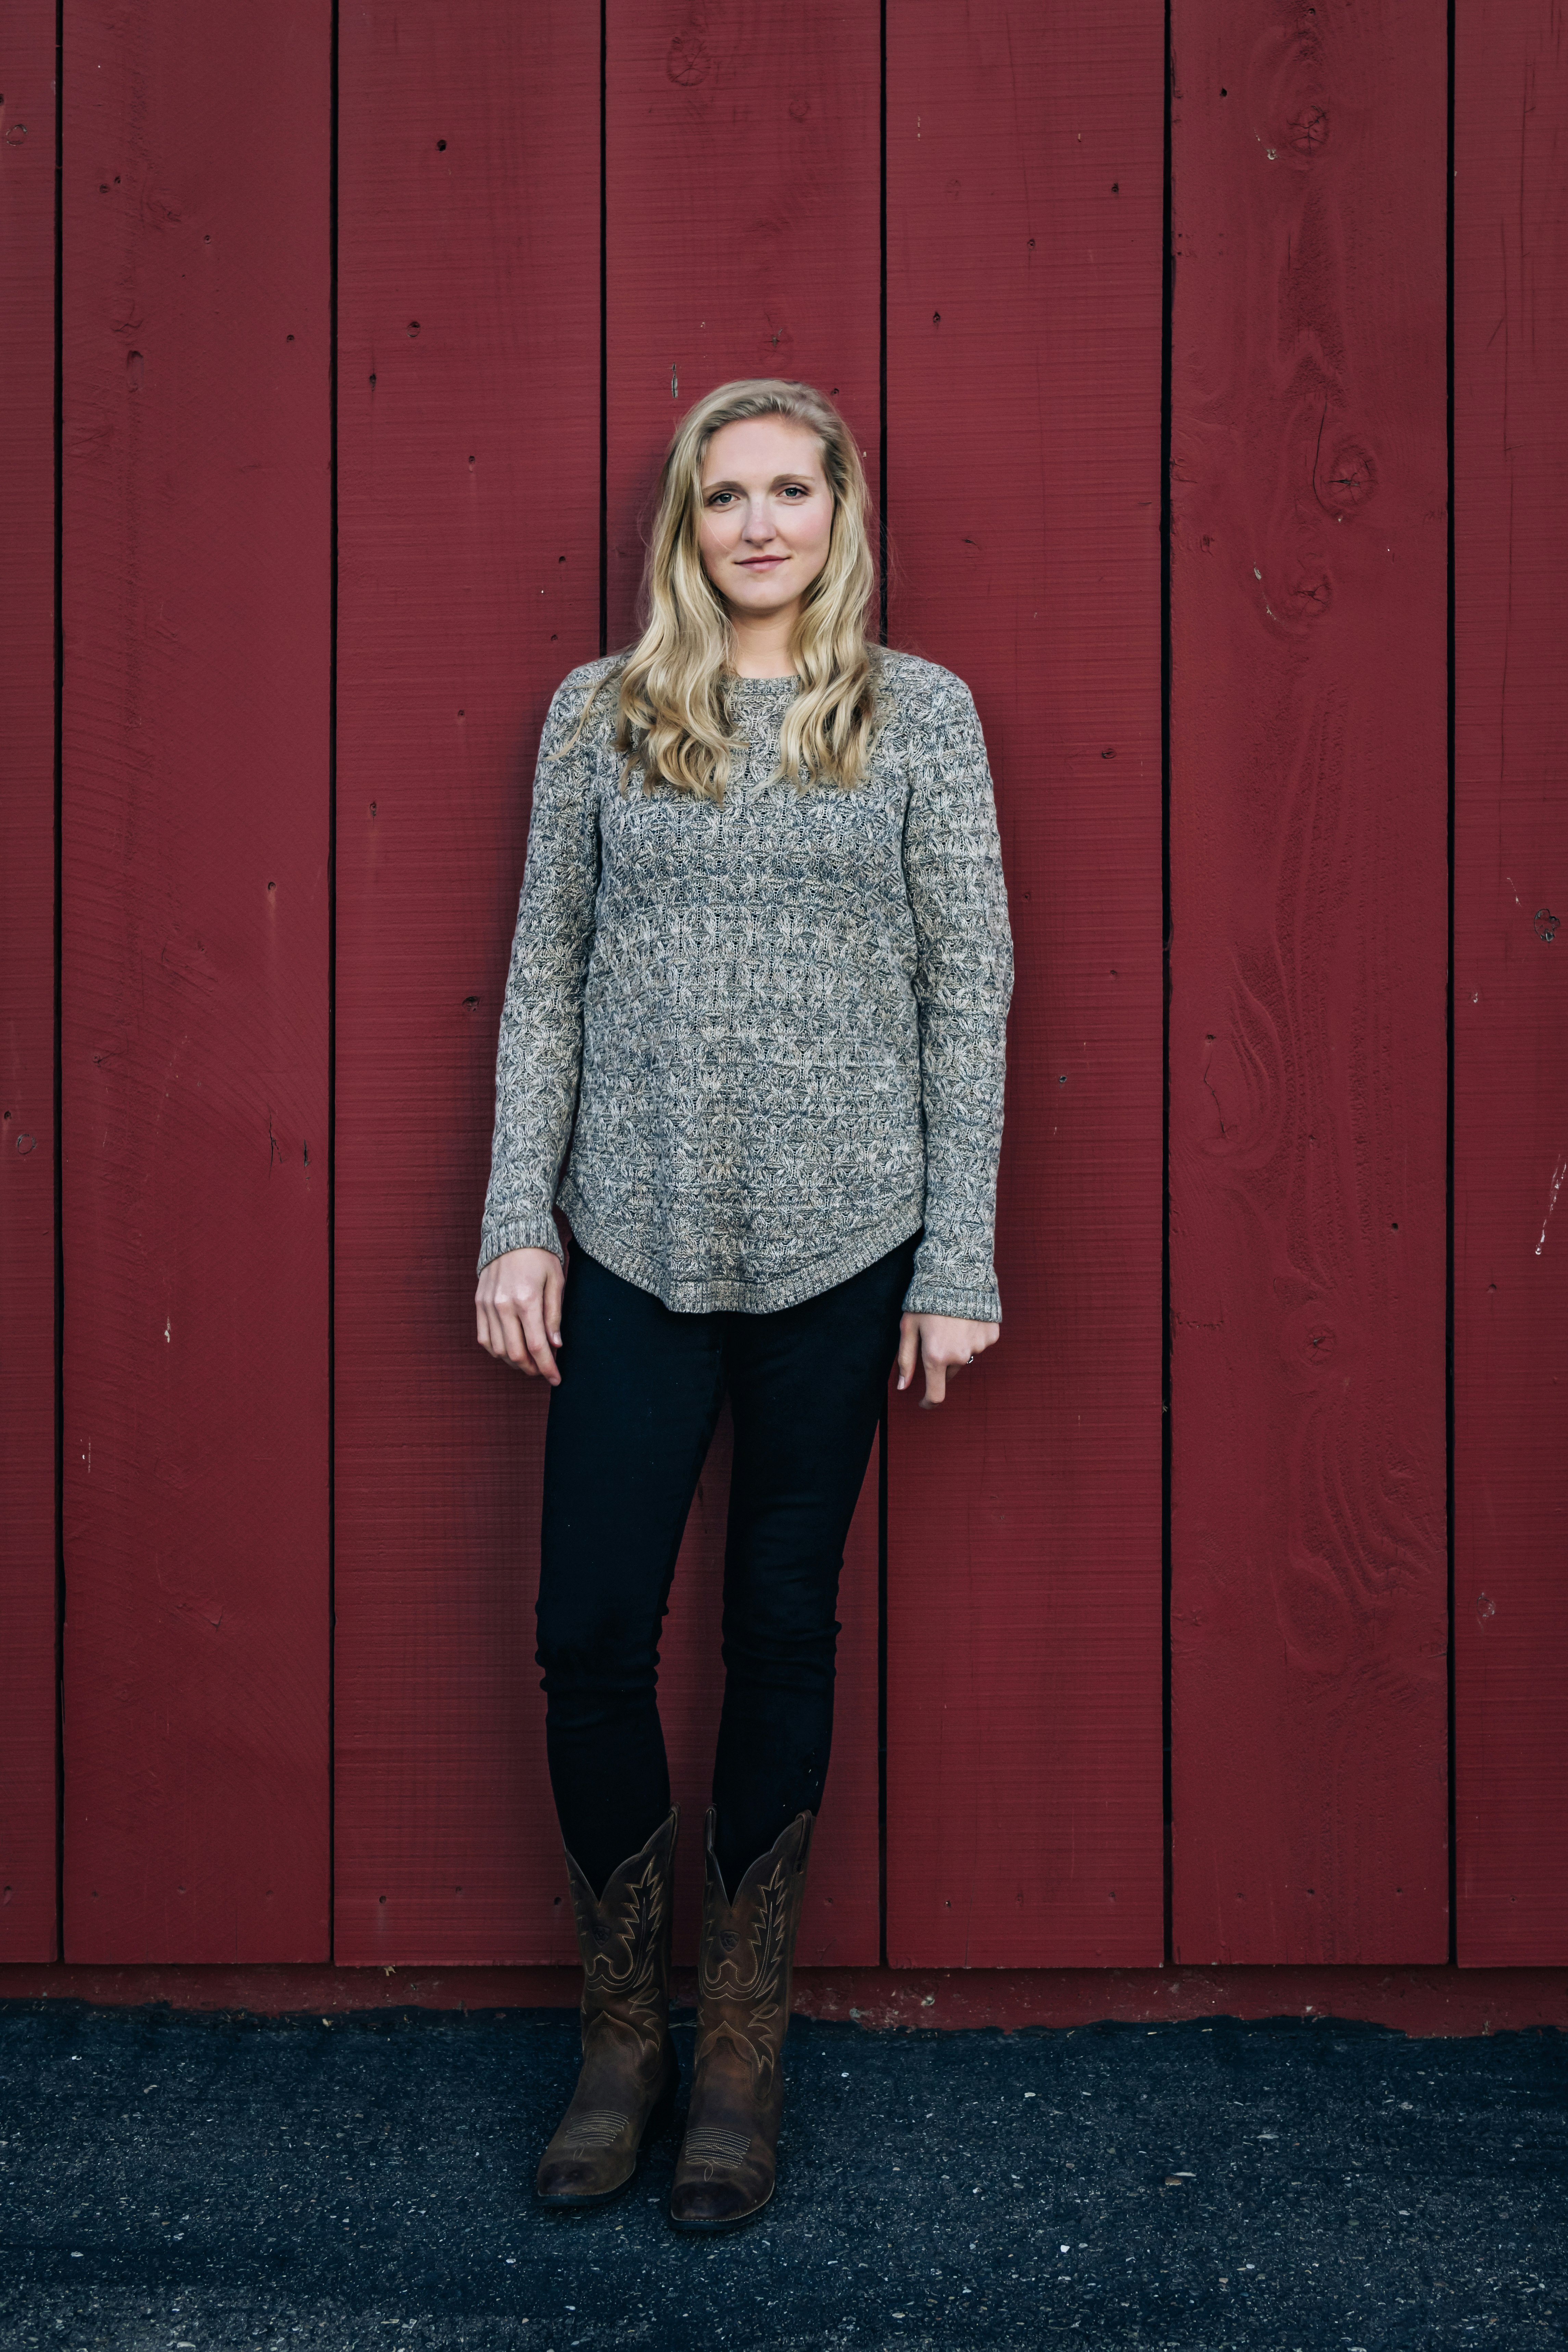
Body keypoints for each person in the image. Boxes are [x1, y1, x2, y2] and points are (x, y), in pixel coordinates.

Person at [474, 377, 1013, 2232]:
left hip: (843, 1241)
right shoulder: (598, 718)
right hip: (627, 1236)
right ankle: (622, 2033)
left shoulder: (916, 716)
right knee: (587, 1631)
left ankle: (736, 2054)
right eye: (727, 498)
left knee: (784, 1630)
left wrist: (954, 1255)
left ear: (840, 511)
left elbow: (974, 991)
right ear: (684, 527)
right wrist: (512, 1225)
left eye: (792, 491)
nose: (760, 524)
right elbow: (542, 978)